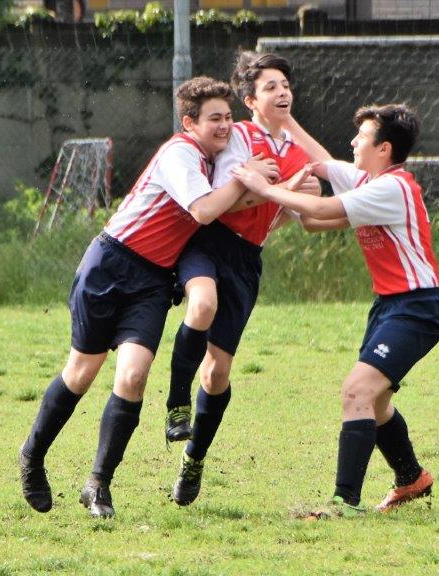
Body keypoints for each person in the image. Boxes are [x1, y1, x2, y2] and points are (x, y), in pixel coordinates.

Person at [17, 76, 278, 519]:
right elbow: (203, 210)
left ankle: (98, 484)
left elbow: (230, 205)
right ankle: (32, 457)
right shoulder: (179, 154)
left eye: (229, 117)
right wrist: (245, 178)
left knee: (134, 377)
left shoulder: (214, 163)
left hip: (155, 281)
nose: (226, 126)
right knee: (81, 372)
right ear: (189, 122)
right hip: (110, 264)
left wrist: (278, 190)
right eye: (215, 118)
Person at [232, 103, 439, 516]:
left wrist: (260, 186)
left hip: (417, 308)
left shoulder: (391, 188)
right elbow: (319, 174)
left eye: (361, 137)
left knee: (357, 392)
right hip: (390, 306)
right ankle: (412, 480)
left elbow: (322, 210)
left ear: (384, 149)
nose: (352, 142)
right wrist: (284, 120)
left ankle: (344, 502)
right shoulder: (369, 179)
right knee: (376, 403)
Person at [164, 51, 315, 507]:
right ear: (251, 100)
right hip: (209, 242)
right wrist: (280, 191)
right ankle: (175, 404)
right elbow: (226, 197)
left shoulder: (298, 153)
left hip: (248, 259)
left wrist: (297, 202)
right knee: (201, 304)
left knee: (218, 373)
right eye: (271, 86)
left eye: (285, 84)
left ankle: (194, 458)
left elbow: (277, 213)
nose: (282, 92)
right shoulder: (242, 135)